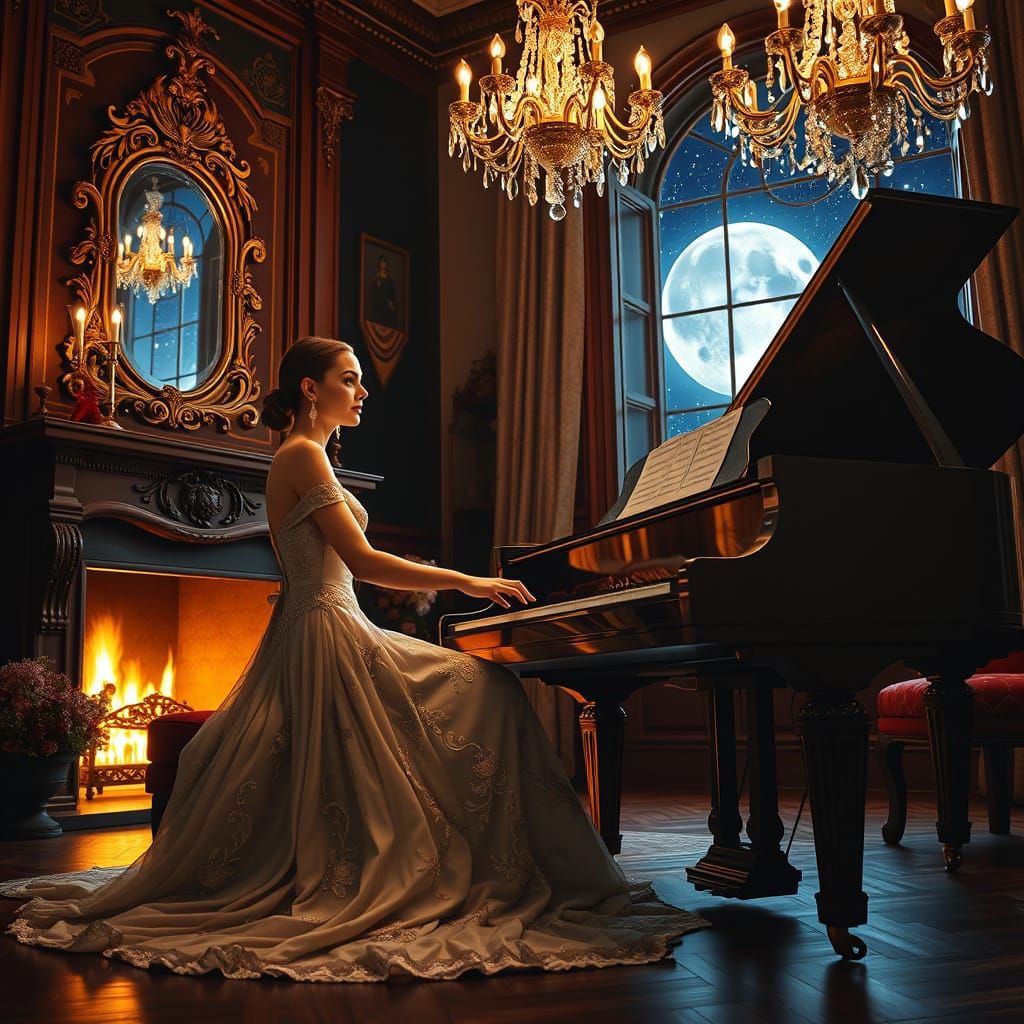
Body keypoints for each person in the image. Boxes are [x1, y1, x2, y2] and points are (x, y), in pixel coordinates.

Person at [2, 337, 706, 982]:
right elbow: (362, 560)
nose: (363, 390)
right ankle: (498, 864)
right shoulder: (301, 455)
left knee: (483, 686)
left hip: (332, 625)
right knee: (487, 687)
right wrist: (467, 579)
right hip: (326, 632)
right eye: (350, 379)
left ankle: (500, 859)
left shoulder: (316, 457)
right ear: (311, 388)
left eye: (361, 380)